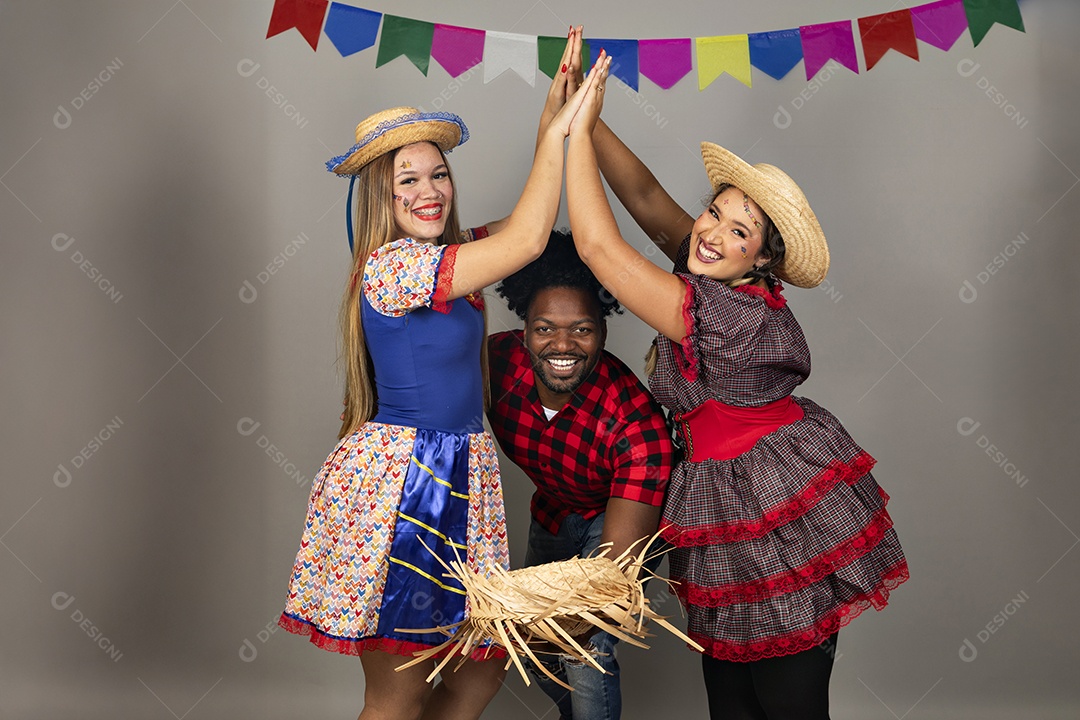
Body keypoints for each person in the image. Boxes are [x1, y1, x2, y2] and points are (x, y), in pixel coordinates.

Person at [277, 38, 612, 720]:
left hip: (461, 475)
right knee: (399, 691)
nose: (429, 191)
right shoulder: (393, 267)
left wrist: (552, 121)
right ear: (381, 192)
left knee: (479, 673)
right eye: (408, 179)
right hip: (409, 485)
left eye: (439, 174)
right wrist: (560, 132)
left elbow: (520, 229)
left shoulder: (451, 262)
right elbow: (524, 239)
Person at [561, 65, 909, 719]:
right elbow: (639, 192)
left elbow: (597, 245)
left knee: (786, 699)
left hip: (763, 504)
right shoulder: (718, 278)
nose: (712, 233)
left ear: (764, 261)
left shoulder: (720, 312)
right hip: (732, 494)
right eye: (712, 211)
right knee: (732, 697)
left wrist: (569, 132)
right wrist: (589, 112)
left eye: (738, 232)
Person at [479, 228, 673, 720]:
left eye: (582, 329)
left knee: (582, 646)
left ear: (604, 332)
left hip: (615, 523)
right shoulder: (494, 365)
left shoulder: (636, 425)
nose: (562, 344)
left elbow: (607, 576)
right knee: (529, 646)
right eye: (545, 328)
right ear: (523, 329)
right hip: (552, 511)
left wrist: (566, 612)